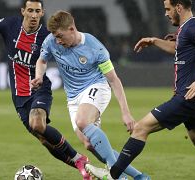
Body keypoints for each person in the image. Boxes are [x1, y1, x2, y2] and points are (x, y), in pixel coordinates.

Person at [85, 0, 195, 179]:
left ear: (179, 7)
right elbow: (179, 49)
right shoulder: (187, 28)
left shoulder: (192, 27)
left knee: (140, 128)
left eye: (168, 9)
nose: (166, 13)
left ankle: (112, 174)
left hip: (187, 96)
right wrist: (155, 41)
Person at [0, 1, 92, 179]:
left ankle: (78, 158)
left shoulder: (47, 37)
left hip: (39, 88)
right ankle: (83, 168)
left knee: (37, 124)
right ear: (23, 11)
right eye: (31, 11)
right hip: (19, 97)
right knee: (44, 140)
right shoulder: (10, 25)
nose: (34, 15)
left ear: (42, 14)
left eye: (38, 11)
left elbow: (71, 48)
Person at [31, 10, 150, 180]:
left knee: (82, 121)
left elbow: (114, 81)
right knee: (90, 144)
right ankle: (139, 177)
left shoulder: (96, 48)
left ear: (72, 29)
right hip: (73, 98)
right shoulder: (51, 41)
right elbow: (42, 60)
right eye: (55, 36)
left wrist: (125, 112)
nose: (58, 40)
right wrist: (38, 76)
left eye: (60, 36)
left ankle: (116, 175)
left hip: (96, 87)